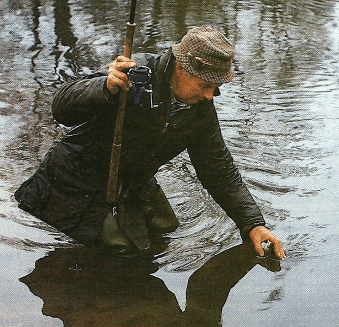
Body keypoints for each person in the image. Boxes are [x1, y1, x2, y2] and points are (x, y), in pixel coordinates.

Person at [15, 27, 285, 258]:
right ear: (182, 69)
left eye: (215, 87)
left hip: (133, 180)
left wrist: (252, 225)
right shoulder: (134, 72)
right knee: (121, 249)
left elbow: (218, 168)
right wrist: (104, 88)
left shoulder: (200, 108)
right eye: (206, 85)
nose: (210, 96)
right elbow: (61, 108)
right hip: (74, 179)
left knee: (167, 228)